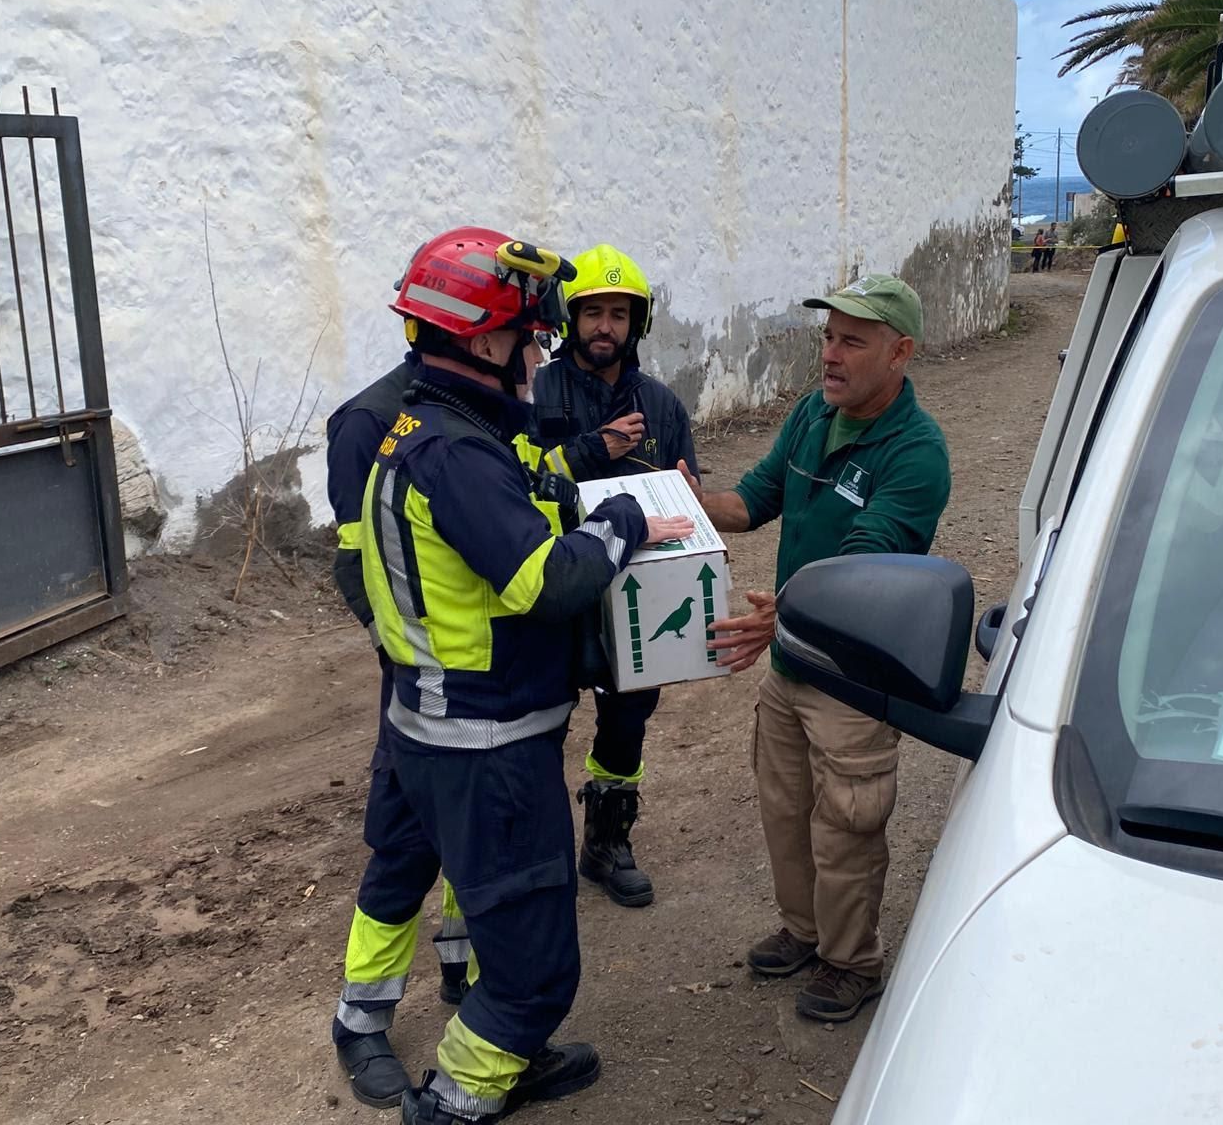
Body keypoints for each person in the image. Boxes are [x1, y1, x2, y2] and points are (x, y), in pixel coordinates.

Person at [337, 226, 693, 1124]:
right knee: (536, 967)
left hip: (435, 720)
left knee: (479, 911)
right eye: (530, 335)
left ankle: (500, 1057)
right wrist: (619, 527)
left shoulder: (431, 426)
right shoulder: (453, 451)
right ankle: (456, 1101)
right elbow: (546, 582)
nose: (540, 351)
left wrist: (582, 492)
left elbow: (524, 490)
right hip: (484, 742)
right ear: (484, 340)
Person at [677, 274, 950, 1024]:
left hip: (853, 682)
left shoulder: (917, 454)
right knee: (786, 811)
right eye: (827, 337)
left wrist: (783, 613)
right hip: (791, 666)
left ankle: (851, 961)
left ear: (900, 353)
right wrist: (688, 502)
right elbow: (753, 501)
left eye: (851, 341)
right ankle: (805, 932)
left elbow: (864, 565)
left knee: (847, 826)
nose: (830, 355)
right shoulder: (810, 416)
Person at [532, 243, 698, 908]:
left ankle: (606, 841)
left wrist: (686, 493)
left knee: (627, 720)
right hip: (552, 588)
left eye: (618, 315)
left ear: (638, 324)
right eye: (592, 313)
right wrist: (587, 451)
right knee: (539, 721)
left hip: (636, 594)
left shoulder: (662, 407)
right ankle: (537, 853)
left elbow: (688, 502)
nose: (605, 326)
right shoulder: (535, 394)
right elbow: (510, 486)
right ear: (571, 320)